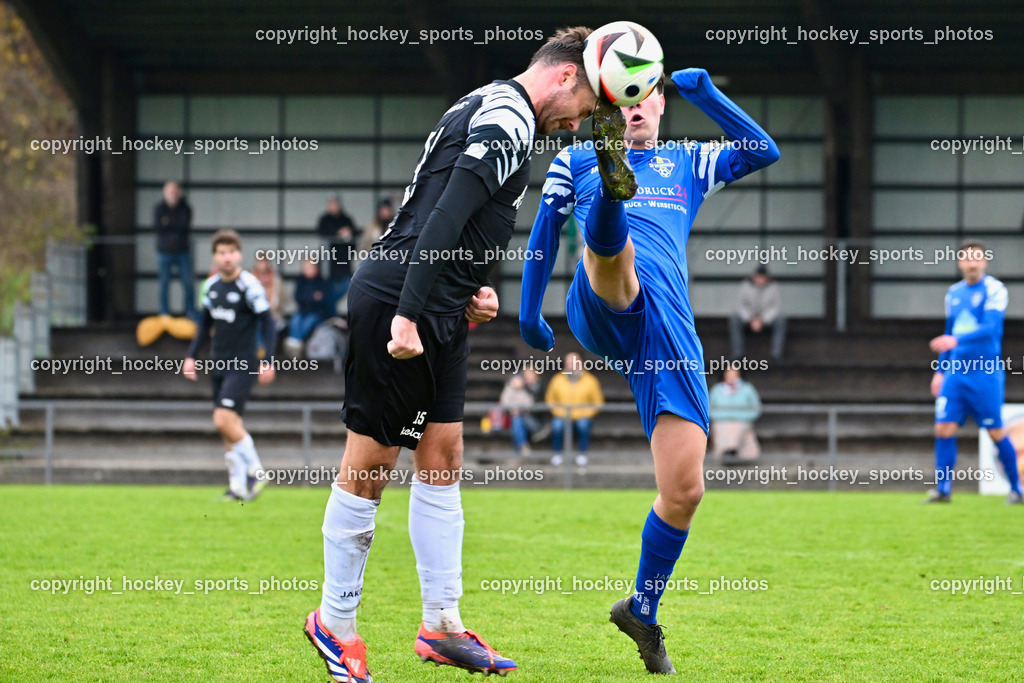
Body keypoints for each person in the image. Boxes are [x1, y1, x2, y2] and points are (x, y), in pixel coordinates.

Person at [304, 27, 597, 683]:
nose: (581, 124)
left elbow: (452, 214)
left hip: (441, 305)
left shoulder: (497, 107)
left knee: (442, 455)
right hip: (402, 301)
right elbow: (440, 220)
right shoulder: (508, 117)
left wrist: (473, 284)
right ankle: (335, 622)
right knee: (372, 464)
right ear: (564, 77)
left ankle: (441, 623)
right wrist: (408, 313)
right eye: (587, 107)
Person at [519, 68, 779, 673]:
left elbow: (763, 149)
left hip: (668, 331)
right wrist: (530, 315)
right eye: (621, 101)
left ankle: (643, 610)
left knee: (685, 491)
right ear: (609, 109)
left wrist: (709, 93)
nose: (635, 109)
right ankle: (615, 198)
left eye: (644, 98)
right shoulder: (577, 156)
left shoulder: (690, 162)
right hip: (601, 302)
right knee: (617, 257)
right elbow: (542, 235)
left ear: (660, 103)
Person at [925, 239, 1022, 504]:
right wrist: (940, 370)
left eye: (977, 258)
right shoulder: (954, 293)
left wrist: (956, 341)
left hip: (984, 372)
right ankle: (943, 490)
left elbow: (990, 327)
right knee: (943, 427)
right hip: (956, 372)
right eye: (968, 258)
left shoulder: (995, 289)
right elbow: (949, 330)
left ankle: (1016, 489)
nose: (972, 263)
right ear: (960, 263)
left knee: (995, 432)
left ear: (984, 262)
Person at [183, 230, 276, 502]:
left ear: (239, 254)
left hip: (243, 363)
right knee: (228, 426)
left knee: (221, 418)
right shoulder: (210, 287)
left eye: (231, 252)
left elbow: (269, 324)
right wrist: (191, 356)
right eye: (221, 252)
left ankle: (257, 473)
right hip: (218, 363)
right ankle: (237, 487)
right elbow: (204, 326)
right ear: (215, 256)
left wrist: (268, 359)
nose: (227, 257)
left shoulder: (249, 285)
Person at [545, 351, 603, 466]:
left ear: (581, 362)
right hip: (562, 415)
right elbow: (550, 400)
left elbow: (597, 402)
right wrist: (561, 413)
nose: (571, 364)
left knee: (583, 425)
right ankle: (557, 454)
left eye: (574, 361)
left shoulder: (590, 380)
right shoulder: (557, 379)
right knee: (556, 426)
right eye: (569, 361)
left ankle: (582, 455)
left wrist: (584, 413)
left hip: (582, 416)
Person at [154, 180, 196, 320]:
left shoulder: (185, 208)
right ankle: (164, 312)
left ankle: (189, 311)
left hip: (182, 251)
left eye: (174, 192)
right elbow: (158, 228)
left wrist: (168, 223)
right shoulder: (159, 208)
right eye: (169, 192)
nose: (172, 195)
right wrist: (173, 225)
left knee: (187, 282)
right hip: (164, 251)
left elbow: (184, 226)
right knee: (164, 283)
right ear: (165, 193)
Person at [729, 265, 785, 361]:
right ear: (754, 277)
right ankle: (738, 354)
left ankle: (776, 354)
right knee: (734, 320)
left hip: (767, 321)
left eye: (763, 277)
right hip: (748, 320)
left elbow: (776, 307)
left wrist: (762, 320)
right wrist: (750, 319)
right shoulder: (745, 286)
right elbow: (739, 305)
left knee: (780, 321)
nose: (760, 279)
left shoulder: (774, 288)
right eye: (758, 277)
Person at [708, 363, 762, 460]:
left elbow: (756, 408)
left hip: (742, 421)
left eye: (734, 373)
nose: (731, 375)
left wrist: (740, 416)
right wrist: (724, 416)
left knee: (736, 426)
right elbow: (710, 408)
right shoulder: (717, 390)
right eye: (729, 372)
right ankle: (727, 452)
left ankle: (731, 450)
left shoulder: (747, 389)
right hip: (721, 421)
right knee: (723, 426)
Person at [317, 194, 361, 311]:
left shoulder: (346, 220)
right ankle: (331, 316)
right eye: (330, 204)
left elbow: (355, 235)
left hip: (344, 263)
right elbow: (322, 232)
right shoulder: (324, 219)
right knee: (329, 293)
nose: (332, 206)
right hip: (328, 264)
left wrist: (348, 233)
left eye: (334, 203)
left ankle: (331, 314)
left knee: (345, 288)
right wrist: (338, 233)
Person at [284, 259, 332, 357]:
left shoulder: (322, 282)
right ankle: (295, 343)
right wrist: (312, 297)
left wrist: (308, 297)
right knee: (295, 320)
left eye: (310, 267)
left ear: (316, 268)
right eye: (306, 268)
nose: (308, 270)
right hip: (302, 312)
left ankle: (295, 344)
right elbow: (298, 297)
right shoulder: (301, 281)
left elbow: (323, 300)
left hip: (317, 313)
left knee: (309, 322)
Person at [499, 374, 535, 455]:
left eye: (519, 381)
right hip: (509, 417)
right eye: (515, 380)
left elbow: (529, 403)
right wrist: (513, 410)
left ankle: (521, 446)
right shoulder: (508, 390)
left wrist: (520, 410)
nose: (517, 382)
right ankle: (522, 445)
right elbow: (504, 403)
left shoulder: (525, 391)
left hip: (523, 416)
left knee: (518, 422)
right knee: (516, 421)